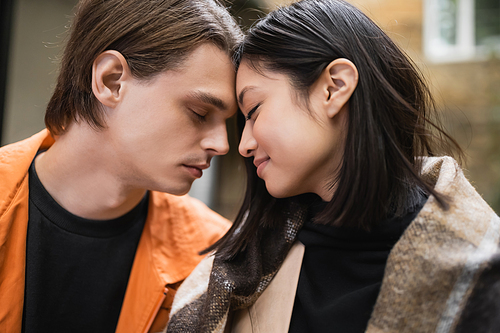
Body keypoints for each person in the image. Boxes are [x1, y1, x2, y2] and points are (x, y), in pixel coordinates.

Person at [166, 0, 500, 332]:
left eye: (253, 110)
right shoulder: (234, 275)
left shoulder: (482, 269)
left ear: (334, 88)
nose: (243, 144)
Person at [0, 0, 242, 332]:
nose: (222, 144)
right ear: (111, 80)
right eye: (199, 113)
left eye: (226, 123)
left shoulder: (214, 257)